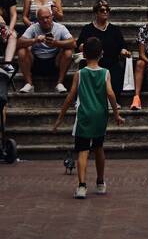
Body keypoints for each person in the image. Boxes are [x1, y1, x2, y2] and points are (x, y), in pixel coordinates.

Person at [53, 35, 125, 198]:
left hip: (84, 115)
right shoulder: (105, 73)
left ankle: (82, 185)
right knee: (99, 148)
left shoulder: (80, 74)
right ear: (102, 54)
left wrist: (60, 117)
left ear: (84, 54)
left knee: (83, 150)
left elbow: (70, 96)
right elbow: (111, 94)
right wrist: (116, 113)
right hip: (100, 114)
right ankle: (100, 182)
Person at [75, 0, 129, 97]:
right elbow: (78, 45)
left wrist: (124, 51)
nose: (105, 12)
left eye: (107, 10)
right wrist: (83, 46)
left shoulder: (114, 30)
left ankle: (114, 99)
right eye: (102, 10)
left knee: (117, 69)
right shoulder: (88, 29)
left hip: (111, 63)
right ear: (96, 12)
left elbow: (122, 46)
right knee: (83, 66)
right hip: (92, 63)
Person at [16, 6, 75, 93]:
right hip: (36, 62)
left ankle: (60, 83)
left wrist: (56, 43)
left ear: (52, 17)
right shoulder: (33, 27)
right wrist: (34, 40)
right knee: (21, 51)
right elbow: (19, 42)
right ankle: (29, 83)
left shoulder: (60, 27)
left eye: (47, 17)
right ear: (38, 20)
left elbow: (73, 43)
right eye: (42, 18)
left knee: (68, 52)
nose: (45, 20)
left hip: (55, 62)